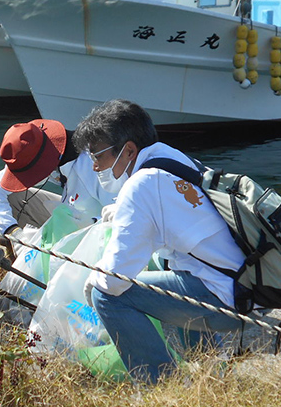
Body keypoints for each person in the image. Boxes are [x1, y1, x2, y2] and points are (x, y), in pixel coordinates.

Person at [75, 99, 246, 383]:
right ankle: (210, 372)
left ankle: (163, 387)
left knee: (105, 296)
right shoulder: (169, 157)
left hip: (223, 299)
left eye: (97, 156)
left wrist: (92, 280)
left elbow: (115, 279)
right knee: (169, 267)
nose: (94, 167)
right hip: (242, 285)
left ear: (128, 150)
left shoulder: (140, 186)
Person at [0, 118, 117, 257]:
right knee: (13, 197)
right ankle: (22, 263)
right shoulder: (33, 150)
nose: (25, 180)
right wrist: (13, 232)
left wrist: (92, 223)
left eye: (27, 176)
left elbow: (123, 215)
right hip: (70, 213)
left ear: (44, 164)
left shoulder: (95, 166)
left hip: (98, 228)